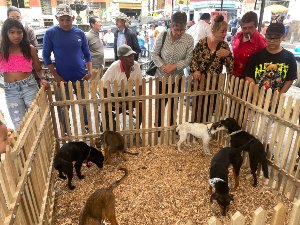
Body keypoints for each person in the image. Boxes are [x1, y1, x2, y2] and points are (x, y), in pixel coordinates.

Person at [42, 4, 92, 134]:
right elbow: (46, 56)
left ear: (73, 18)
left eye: (68, 19)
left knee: (85, 104)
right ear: (57, 18)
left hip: (81, 76)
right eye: (62, 19)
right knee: (64, 107)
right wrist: (56, 76)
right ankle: (65, 131)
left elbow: (87, 54)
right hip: (62, 79)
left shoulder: (80, 33)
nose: (65, 23)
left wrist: (90, 71)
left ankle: (87, 127)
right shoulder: (50, 33)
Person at [0, 19, 49, 129]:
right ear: (5, 33)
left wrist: (42, 78)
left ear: (23, 33)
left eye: (19, 32)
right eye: (12, 32)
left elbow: (38, 69)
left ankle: (43, 146)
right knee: (20, 125)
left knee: (37, 119)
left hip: (29, 87)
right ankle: (27, 147)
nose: (16, 36)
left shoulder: (29, 49)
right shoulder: (2, 50)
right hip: (11, 91)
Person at [152, 11, 194, 129]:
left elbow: (189, 59)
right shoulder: (163, 36)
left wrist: (174, 66)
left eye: (182, 30)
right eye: (176, 29)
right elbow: (154, 54)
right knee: (160, 104)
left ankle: (172, 126)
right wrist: (163, 66)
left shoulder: (189, 39)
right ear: (171, 25)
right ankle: (158, 128)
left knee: (173, 104)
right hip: (161, 76)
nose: (179, 33)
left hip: (177, 78)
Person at [190, 15, 234, 122]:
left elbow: (230, 67)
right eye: (222, 32)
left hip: (214, 84)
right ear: (214, 30)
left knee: (209, 110)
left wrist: (228, 55)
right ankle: (196, 129)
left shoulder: (225, 46)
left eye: (226, 31)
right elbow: (193, 58)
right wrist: (195, 70)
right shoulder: (202, 42)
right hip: (199, 82)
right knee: (197, 108)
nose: (225, 34)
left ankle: (205, 129)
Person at [244, 22, 297, 96]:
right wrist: (257, 94)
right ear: (265, 36)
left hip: (276, 100)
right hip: (256, 98)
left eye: (276, 38)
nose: (272, 41)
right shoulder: (256, 56)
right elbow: (249, 76)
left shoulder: (289, 57)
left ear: (283, 37)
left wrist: (279, 96)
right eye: (269, 38)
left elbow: (290, 79)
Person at [101, 44, 143, 130]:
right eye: (128, 56)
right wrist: (105, 102)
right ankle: (107, 129)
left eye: (132, 55)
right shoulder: (114, 67)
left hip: (129, 94)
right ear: (121, 58)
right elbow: (104, 85)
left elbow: (140, 85)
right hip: (114, 95)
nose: (132, 58)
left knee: (141, 105)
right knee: (107, 111)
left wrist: (140, 100)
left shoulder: (136, 66)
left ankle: (137, 128)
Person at [232, 11, 267, 79]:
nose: (247, 31)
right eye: (244, 28)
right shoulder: (239, 35)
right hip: (234, 78)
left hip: (249, 81)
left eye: (250, 27)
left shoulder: (260, 42)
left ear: (256, 26)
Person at [86, 16, 105, 81]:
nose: (101, 24)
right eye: (98, 22)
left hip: (100, 66)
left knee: (99, 86)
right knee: (92, 87)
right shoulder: (88, 36)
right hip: (93, 67)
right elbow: (83, 51)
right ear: (92, 24)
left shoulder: (97, 34)